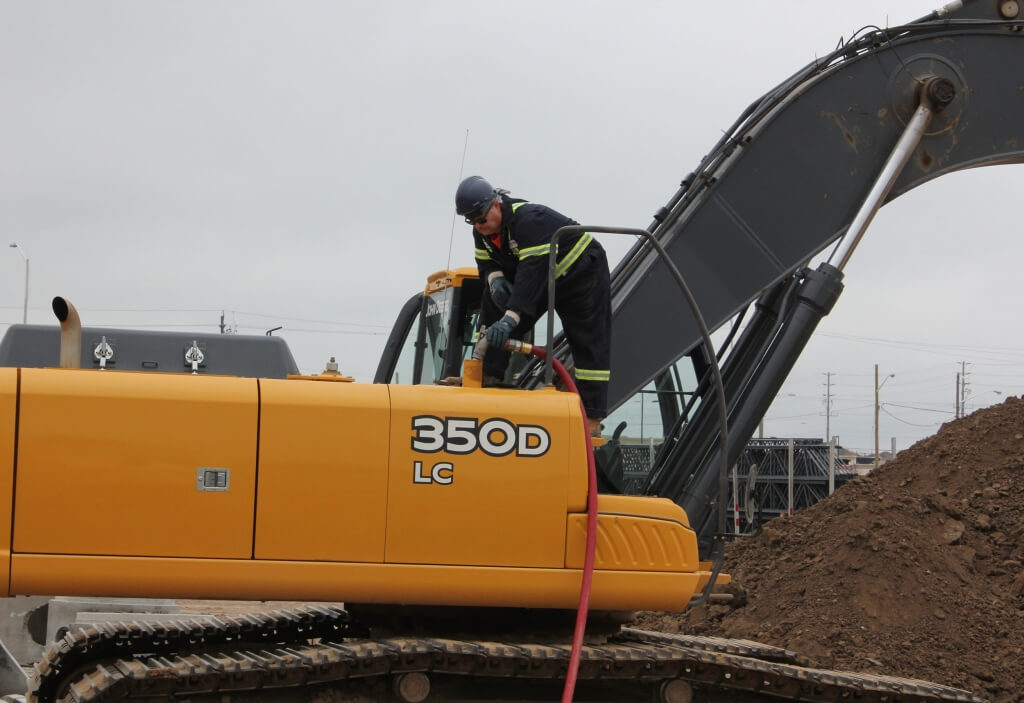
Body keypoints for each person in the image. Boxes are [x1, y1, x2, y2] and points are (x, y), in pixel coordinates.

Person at [455, 175, 611, 436]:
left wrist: (510, 319)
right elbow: (486, 263)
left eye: (481, 218)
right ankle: (486, 375)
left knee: (588, 340)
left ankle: (591, 416)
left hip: (580, 272)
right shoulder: (480, 233)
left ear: (496, 204)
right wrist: (495, 281)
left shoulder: (529, 221)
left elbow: (532, 275)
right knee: (493, 300)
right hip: (544, 274)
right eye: (471, 221)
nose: (479, 225)